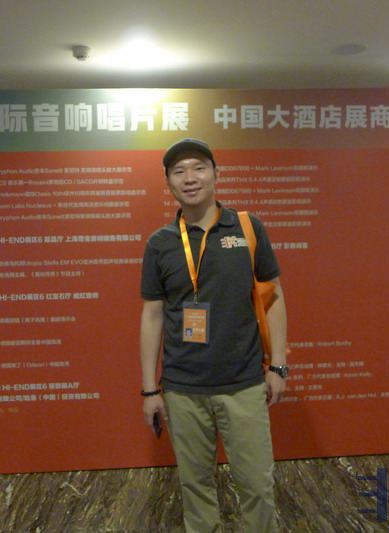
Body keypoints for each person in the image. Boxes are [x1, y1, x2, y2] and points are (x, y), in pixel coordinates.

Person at [139, 138, 288, 533]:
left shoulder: (247, 228)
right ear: (169, 183)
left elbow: (273, 297)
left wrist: (279, 366)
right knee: (196, 488)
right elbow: (152, 316)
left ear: (216, 174)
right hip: (183, 388)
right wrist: (150, 390)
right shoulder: (160, 243)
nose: (190, 178)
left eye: (198, 167)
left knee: (256, 486)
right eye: (179, 171)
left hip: (243, 384)